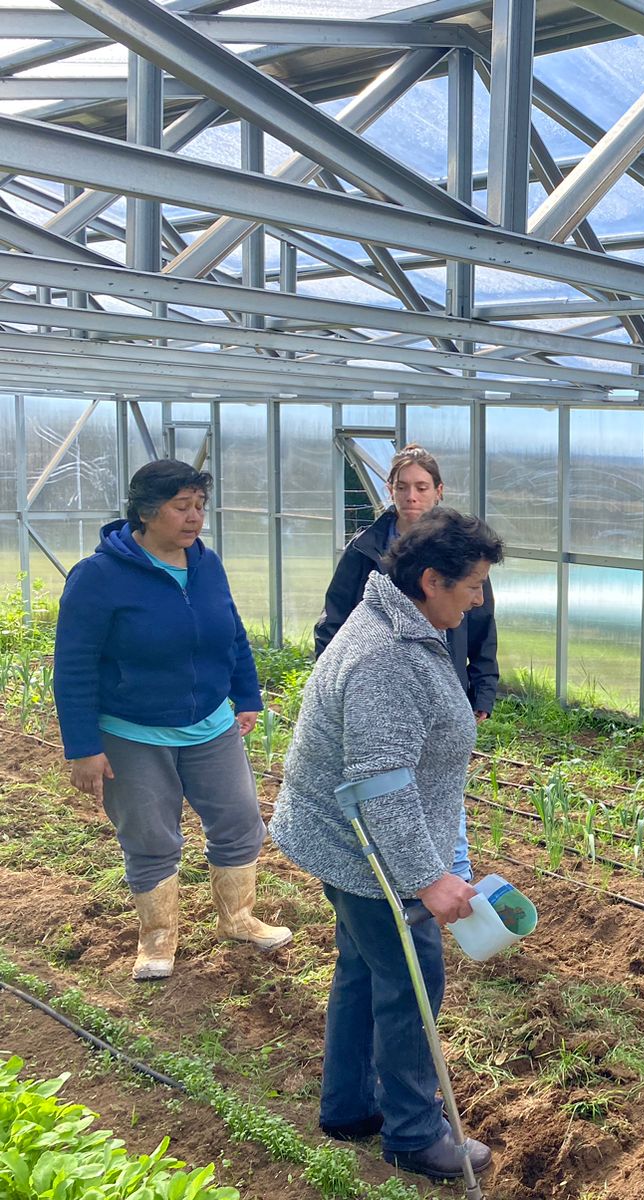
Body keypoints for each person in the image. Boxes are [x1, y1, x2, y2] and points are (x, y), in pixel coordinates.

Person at [270, 508, 504, 1182]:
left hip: (349, 840)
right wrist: (429, 877)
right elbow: (380, 783)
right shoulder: (385, 659)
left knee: (364, 967)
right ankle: (411, 1132)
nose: (479, 599)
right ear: (431, 580)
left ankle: (349, 1106)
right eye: (472, 586)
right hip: (364, 851)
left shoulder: (401, 624)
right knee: (409, 981)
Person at [52, 460, 290, 981]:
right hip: (132, 732)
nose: (195, 518)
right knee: (152, 836)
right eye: (182, 507)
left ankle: (238, 919)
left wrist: (244, 693)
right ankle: (157, 940)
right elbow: (73, 666)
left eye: (200, 506)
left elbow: (231, 633)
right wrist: (82, 746)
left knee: (238, 819)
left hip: (210, 724)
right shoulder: (98, 577)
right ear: (146, 510)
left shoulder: (207, 565)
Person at [314, 444, 498, 882]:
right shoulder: (365, 553)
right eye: (402, 487)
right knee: (400, 783)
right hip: (385, 690)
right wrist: (341, 682)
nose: (411, 496)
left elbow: (484, 626)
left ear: (438, 491)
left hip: (444, 687)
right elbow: (334, 623)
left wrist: (481, 688)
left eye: (421, 487)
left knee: (438, 788)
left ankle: (454, 877)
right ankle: (434, 882)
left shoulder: (461, 552)